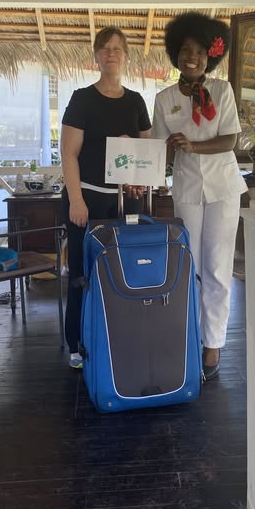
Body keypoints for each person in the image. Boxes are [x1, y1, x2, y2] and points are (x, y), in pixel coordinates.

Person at [151, 12, 246, 380]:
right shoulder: (164, 98)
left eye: (200, 52)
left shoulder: (222, 91)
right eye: (186, 50)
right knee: (188, 265)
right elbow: (161, 151)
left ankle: (213, 344)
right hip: (187, 189)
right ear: (176, 53)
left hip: (224, 188)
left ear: (211, 56)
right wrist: (144, 162)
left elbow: (230, 140)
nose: (192, 57)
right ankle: (190, 336)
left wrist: (193, 146)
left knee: (218, 267)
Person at [60, 27, 151, 368]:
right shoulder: (82, 99)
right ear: (97, 55)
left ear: (126, 55)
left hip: (126, 203)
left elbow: (145, 154)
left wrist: (139, 180)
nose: (111, 53)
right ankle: (77, 344)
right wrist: (76, 200)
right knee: (81, 274)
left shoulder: (136, 101)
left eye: (117, 48)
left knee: (124, 271)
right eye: (105, 48)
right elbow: (69, 154)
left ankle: (119, 340)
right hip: (88, 201)